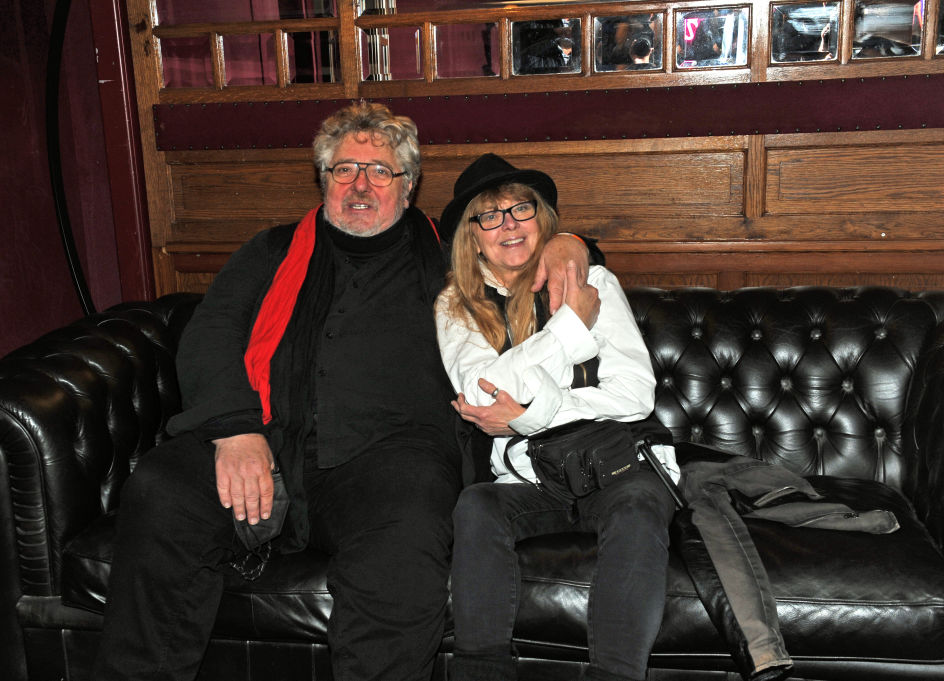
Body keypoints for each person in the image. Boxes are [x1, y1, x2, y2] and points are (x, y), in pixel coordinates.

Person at [92, 104, 592, 681]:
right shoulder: (273, 250)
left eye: (380, 172)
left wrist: (570, 243)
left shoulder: (450, 258)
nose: (360, 185)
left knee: (406, 534)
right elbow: (212, 334)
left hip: (392, 460)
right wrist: (235, 429)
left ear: (408, 187)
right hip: (267, 441)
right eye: (344, 169)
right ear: (324, 180)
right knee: (162, 488)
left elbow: (521, 249)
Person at [434, 153, 678, 681]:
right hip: (531, 477)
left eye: (520, 209)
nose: (508, 225)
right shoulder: (456, 306)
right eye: (489, 215)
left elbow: (634, 395)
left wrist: (530, 414)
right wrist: (570, 329)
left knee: (639, 508)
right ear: (472, 236)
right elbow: (481, 391)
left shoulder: (592, 282)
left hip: (619, 464)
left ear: (540, 217)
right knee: (477, 506)